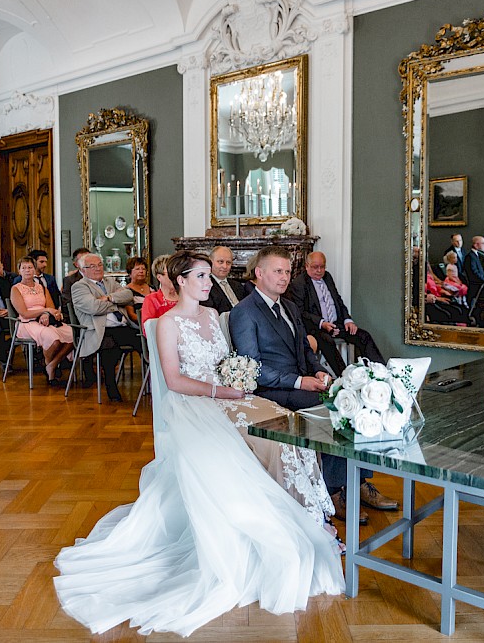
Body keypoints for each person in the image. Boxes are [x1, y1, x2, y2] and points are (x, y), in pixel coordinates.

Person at [53, 250, 344, 637]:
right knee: (259, 444)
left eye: (210, 276)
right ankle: (285, 523)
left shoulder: (210, 316)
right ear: (182, 281)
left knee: (285, 428)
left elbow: (226, 363)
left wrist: (236, 382)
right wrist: (221, 391)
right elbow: (174, 382)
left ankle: (307, 516)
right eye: (203, 276)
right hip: (196, 406)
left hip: (228, 397)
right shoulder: (165, 324)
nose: (210, 283)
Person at [230, 246, 397, 524]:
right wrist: (300, 382)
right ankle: (333, 493)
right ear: (259, 273)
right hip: (274, 391)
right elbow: (254, 369)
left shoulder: (290, 307)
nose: (284, 278)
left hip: (301, 384)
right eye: (277, 271)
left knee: (356, 402)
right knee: (336, 413)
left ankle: (357, 484)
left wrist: (320, 374)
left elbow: (306, 353)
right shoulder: (244, 312)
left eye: (287, 271)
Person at [287, 251, 385, 375]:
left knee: (363, 336)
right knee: (327, 341)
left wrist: (347, 320)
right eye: (315, 267)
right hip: (316, 328)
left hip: (336, 324)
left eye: (322, 267)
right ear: (307, 266)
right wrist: (322, 323)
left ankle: (380, 373)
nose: (319, 270)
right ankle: (345, 377)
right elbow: (301, 313)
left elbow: (337, 300)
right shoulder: (299, 283)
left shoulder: (327, 277)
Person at [70, 252, 138, 402]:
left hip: (122, 327)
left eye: (100, 265)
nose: (97, 269)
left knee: (147, 344)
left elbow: (128, 295)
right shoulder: (79, 287)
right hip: (99, 330)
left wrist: (109, 297)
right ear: (83, 270)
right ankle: (111, 389)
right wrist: (115, 304)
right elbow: (94, 308)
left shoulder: (110, 282)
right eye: (92, 266)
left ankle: (154, 384)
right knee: (110, 350)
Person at [10, 256, 74, 384]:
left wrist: (47, 313)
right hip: (27, 323)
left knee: (72, 334)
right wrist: (44, 311)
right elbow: (24, 313)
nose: (27, 270)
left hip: (44, 320)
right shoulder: (16, 289)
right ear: (19, 271)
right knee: (54, 340)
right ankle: (50, 370)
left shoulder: (41, 287)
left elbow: (50, 306)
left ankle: (51, 365)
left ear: (34, 269)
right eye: (24, 268)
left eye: (30, 267)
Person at [200, 245, 248, 314]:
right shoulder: (205, 286)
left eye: (228, 263)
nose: (225, 266)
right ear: (211, 262)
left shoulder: (238, 286)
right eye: (220, 262)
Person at [139, 254, 177, 331]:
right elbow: (148, 330)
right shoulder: (152, 299)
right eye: (170, 273)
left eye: (176, 272)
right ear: (159, 277)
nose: (175, 276)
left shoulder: (185, 296)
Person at [122, 256, 153, 325]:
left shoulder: (152, 288)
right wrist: (147, 323)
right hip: (138, 326)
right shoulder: (126, 291)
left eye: (143, 269)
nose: (141, 271)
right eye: (137, 269)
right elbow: (131, 315)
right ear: (130, 273)